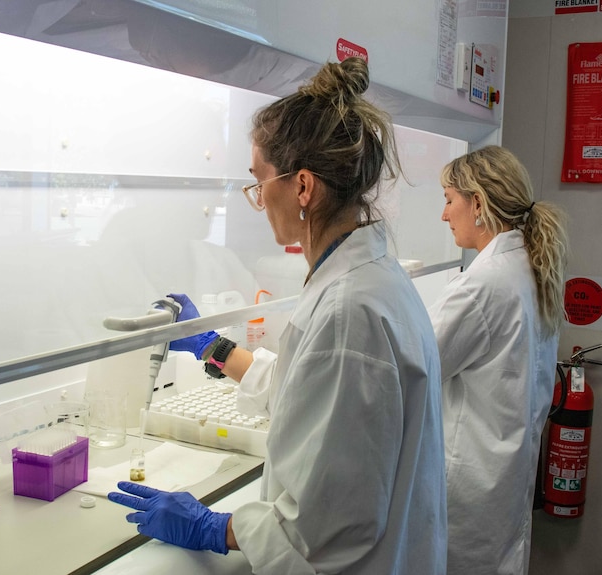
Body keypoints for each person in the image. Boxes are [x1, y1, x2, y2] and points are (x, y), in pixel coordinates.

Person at [108, 57, 448, 574]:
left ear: (303, 188)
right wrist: (212, 346)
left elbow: (318, 531)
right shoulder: (364, 278)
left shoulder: (349, 310)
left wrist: (212, 527)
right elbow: (305, 390)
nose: (257, 198)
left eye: (259, 181)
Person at [428, 146, 569, 575]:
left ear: (478, 202)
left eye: (449, 200)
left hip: (470, 491)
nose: (444, 214)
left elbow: (417, 369)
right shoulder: (528, 266)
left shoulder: (483, 285)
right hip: (502, 481)